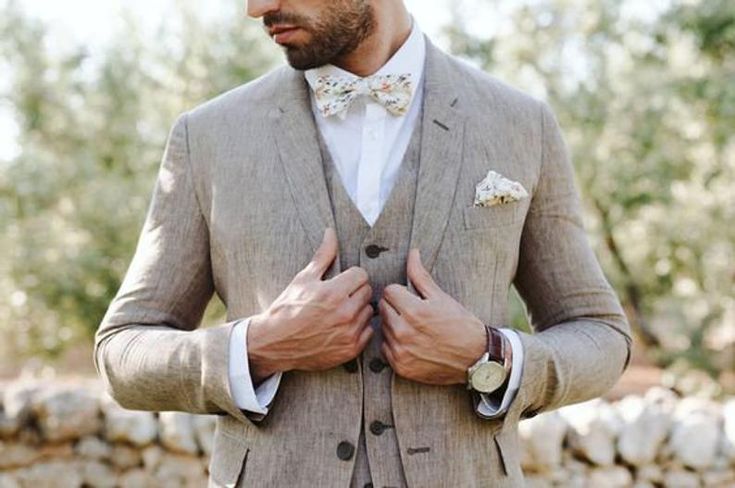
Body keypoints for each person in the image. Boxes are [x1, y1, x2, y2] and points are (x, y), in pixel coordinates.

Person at [93, 1, 633, 486]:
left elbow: (599, 334)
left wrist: (486, 354)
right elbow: (123, 351)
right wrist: (259, 346)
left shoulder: (520, 124)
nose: (258, 9)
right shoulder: (208, 136)